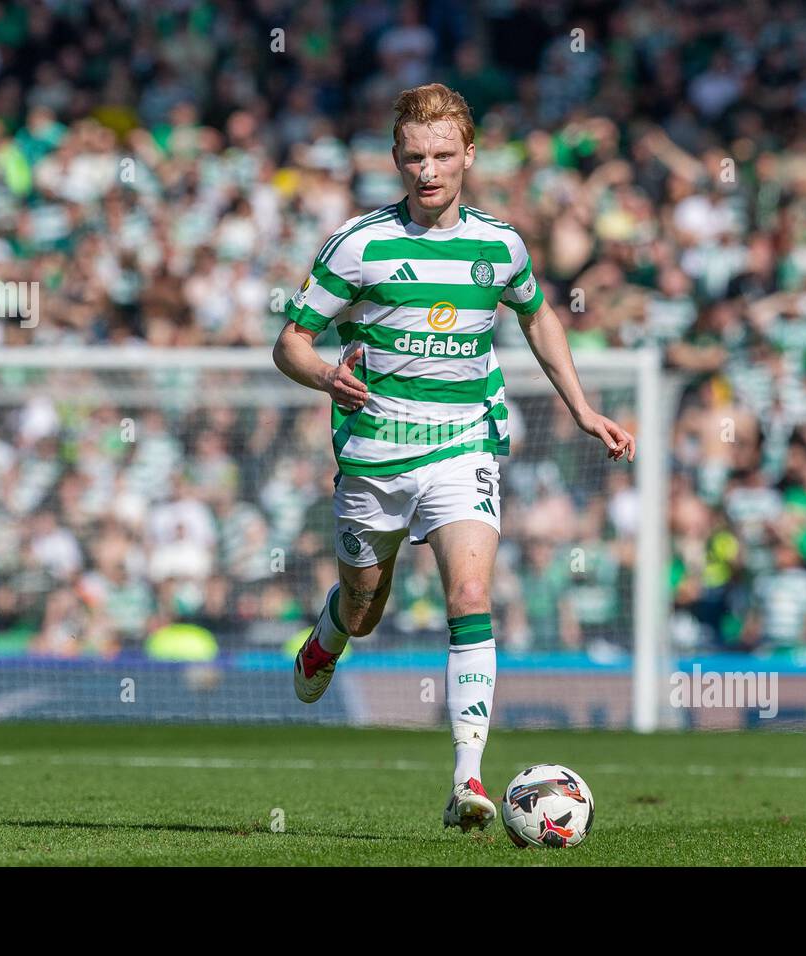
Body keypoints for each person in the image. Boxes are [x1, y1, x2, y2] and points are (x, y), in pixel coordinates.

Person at [272, 83, 634, 833]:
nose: (428, 171)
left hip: (464, 442)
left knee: (469, 595)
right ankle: (328, 638)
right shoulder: (359, 244)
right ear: (396, 161)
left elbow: (539, 319)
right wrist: (323, 376)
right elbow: (292, 342)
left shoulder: (500, 245)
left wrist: (582, 407)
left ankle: (468, 779)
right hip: (374, 455)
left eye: (442, 155)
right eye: (414, 158)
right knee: (366, 608)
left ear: (469, 155)